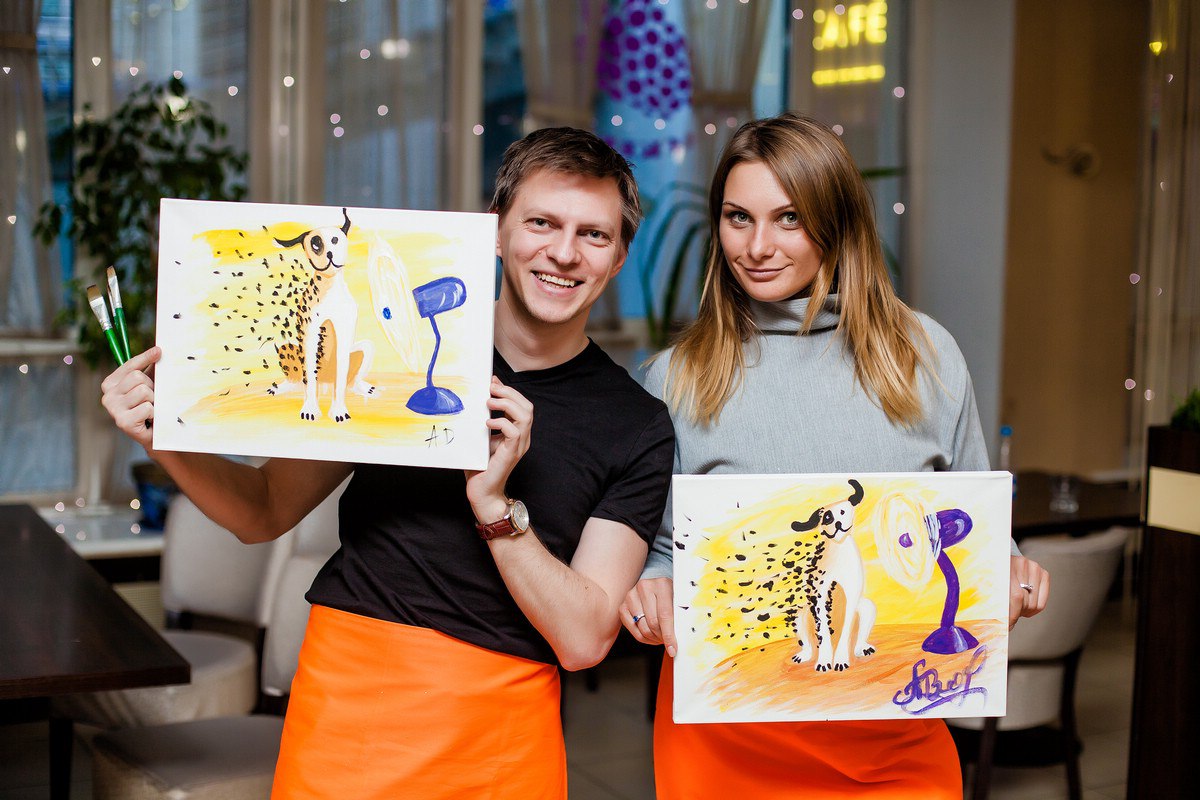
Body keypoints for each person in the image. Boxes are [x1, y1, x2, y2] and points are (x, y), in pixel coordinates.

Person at [101, 127, 675, 799]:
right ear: (495, 230)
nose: (564, 252)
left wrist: (495, 508)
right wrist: (162, 435)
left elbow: (584, 640)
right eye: (541, 222)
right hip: (350, 701)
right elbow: (263, 510)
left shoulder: (636, 425)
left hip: (501, 733)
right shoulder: (395, 351)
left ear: (620, 255)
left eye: (594, 234)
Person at [619, 113, 1050, 799]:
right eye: (737, 218)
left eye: (789, 218)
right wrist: (649, 587)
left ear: (838, 222)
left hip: (893, 737)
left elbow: (974, 531)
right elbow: (662, 550)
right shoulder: (677, 376)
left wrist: (1012, 570)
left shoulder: (925, 355)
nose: (758, 246)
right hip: (727, 743)